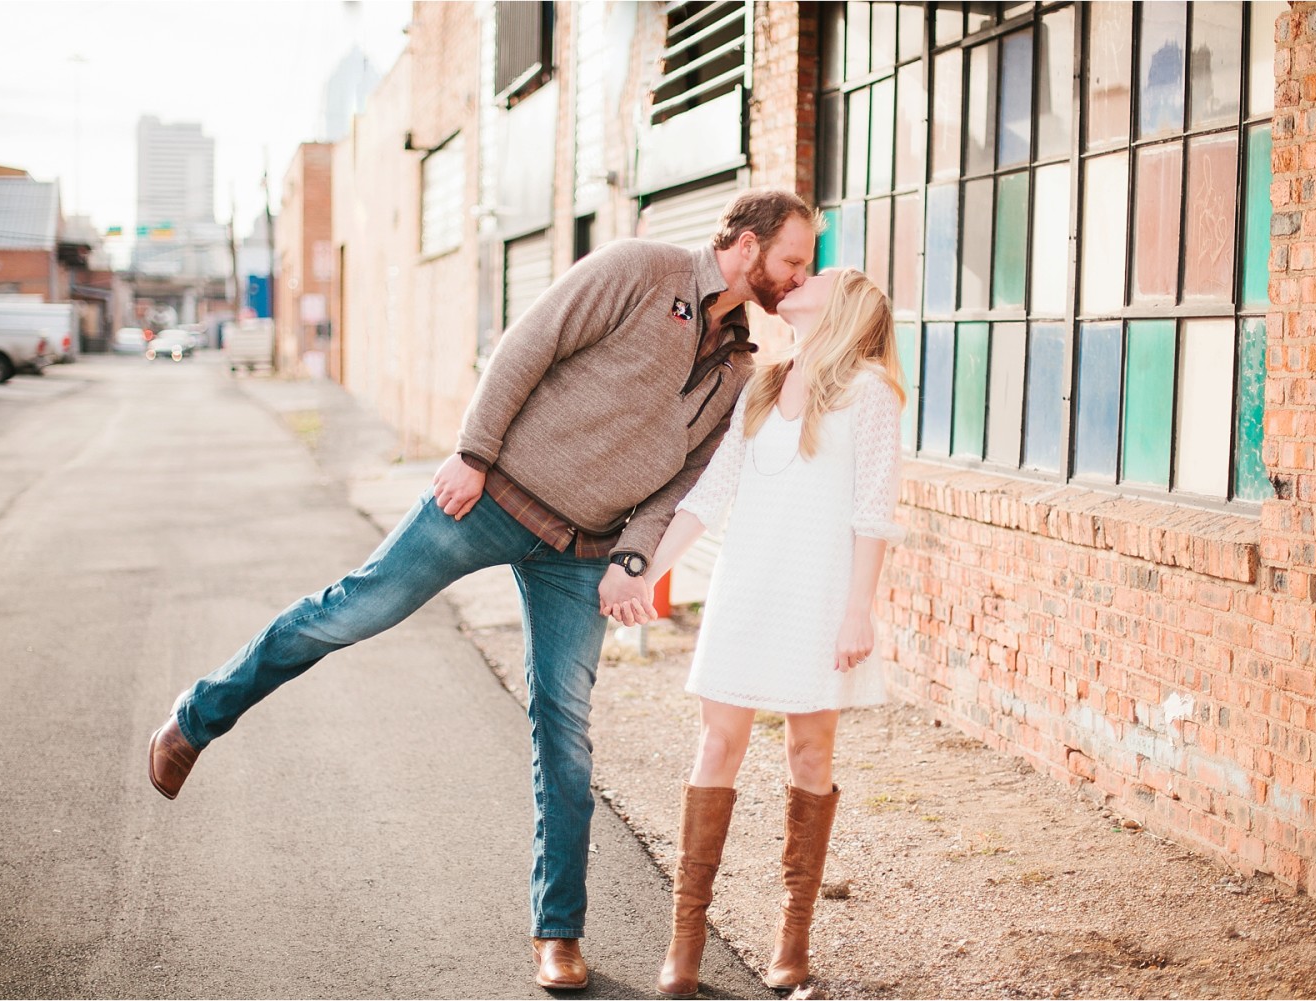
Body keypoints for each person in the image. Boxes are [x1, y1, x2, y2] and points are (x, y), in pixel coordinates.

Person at [145, 189, 821, 991]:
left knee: (564, 735)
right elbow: (528, 345)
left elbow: (682, 479)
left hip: (582, 552)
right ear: (745, 245)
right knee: (352, 610)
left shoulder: (739, 367)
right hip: (490, 496)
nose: (798, 275)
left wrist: (633, 557)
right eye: (793, 259)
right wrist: (471, 451)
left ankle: (558, 932)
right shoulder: (641, 271)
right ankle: (196, 718)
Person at [637, 268, 906, 997]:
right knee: (716, 742)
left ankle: (792, 940)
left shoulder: (870, 393)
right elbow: (710, 494)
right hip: (745, 592)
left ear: (846, 302)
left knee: (808, 750)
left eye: (816, 274)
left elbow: (874, 513)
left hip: (818, 598)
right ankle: (685, 940)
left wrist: (860, 609)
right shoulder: (760, 385)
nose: (796, 277)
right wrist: (645, 573)